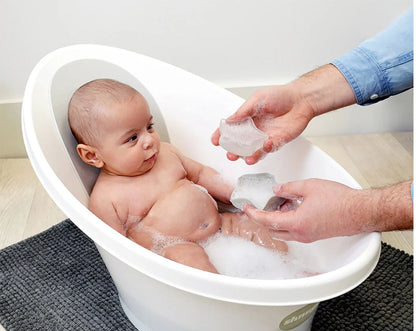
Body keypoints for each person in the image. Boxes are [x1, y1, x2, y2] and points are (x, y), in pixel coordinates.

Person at [211, 8, 413, 243]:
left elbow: (206, 178)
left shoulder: (174, 160)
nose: (154, 139)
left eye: (154, 126)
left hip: (225, 223)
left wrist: (357, 210)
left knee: (272, 242)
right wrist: (303, 97)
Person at [68, 79, 287, 273]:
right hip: (174, 247)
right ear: (92, 156)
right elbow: (117, 250)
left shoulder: (166, 153)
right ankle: (226, 299)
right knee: (195, 266)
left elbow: (201, 174)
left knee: (267, 234)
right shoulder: (107, 199)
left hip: (221, 222)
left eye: (149, 126)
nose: (149, 140)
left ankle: (291, 275)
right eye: (132, 138)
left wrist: (235, 194)